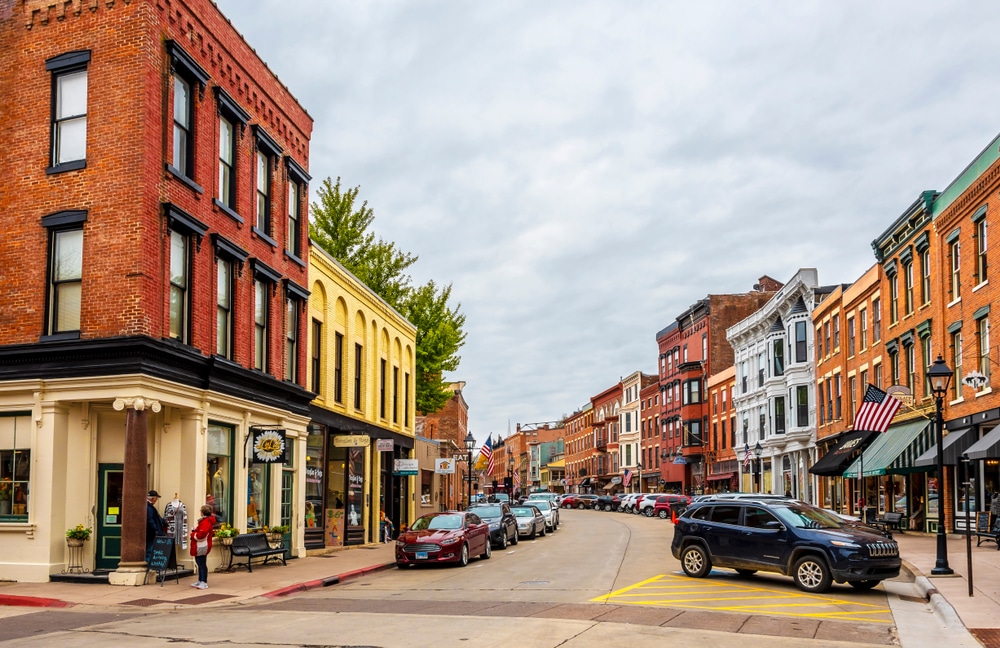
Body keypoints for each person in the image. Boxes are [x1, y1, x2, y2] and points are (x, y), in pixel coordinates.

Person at [190, 504, 215, 590]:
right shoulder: (205, 521)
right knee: (199, 562)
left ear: (202, 512)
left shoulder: (205, 522)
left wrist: (193, 534)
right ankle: (200, 580)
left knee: (201, 563)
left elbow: (201, 535)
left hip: (202, 545)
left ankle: (203, 581)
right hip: (202, 545)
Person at [145, 490, 166, 564]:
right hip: (151, 534)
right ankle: (148, 566)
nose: (156, 500)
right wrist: (155, 529)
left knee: (151, 550)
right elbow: (149, 519)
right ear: (153, 498)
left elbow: (157, 518)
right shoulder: (149, 507)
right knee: (149, 550)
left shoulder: (150, 507)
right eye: (156, 498)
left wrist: (163, 521)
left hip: (152, 533)